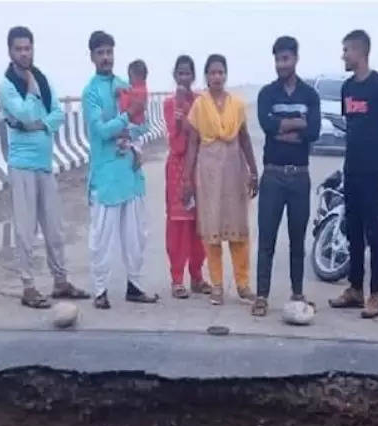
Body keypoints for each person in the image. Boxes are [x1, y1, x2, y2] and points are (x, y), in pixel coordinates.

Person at [0, 25, 88, 309]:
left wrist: (39, 125)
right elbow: (22, 112)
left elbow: (58, 114)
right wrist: (31, 94)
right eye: (19, 49)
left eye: (28, 48)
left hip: (44, 163)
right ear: (10, 52)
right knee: (26, 229)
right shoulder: (7, 85)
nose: (24, 53)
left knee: (54, 226)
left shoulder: (43, 79)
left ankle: (60, 281)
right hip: (22, 165)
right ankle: (28, 285)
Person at [83, 30, 158, 308]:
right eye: (100, 53)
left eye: (109, 52)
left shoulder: (126, 84)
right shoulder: (90, 92)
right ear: (92, 57)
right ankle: (100, 291)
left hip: (131, 173)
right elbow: (101, 131)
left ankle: (135, 286)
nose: (106, 57)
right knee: (102, 236)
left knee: (136, 234)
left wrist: (127, 124)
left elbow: (145, 124)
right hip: (106, 176)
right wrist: (126, 118)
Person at [328, 29, 378, 319]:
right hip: (351, 169)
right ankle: (355, 289)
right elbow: (351, 126)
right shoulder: (347, 88)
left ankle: (376, 294)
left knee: (374, 232)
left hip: (372, 171)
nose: (343, 55)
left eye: (347, 50)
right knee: (353, 230)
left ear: (361, 52)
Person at [182, 54, 259, 306]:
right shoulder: (199, 105)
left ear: (226, 75)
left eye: (221, 72)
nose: (217, 77)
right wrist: (186, 180)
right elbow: (192, 143)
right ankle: (216, 285)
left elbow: (245, 138)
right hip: (209, 172)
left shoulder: (237, 104)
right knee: (211, 229)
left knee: (239, 230)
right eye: (212, 72)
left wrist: (254, 171)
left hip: (234, 171)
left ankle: (243, 284)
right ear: (206, 76)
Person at [253, 35, 320, 317]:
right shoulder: (267, 93)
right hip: (273, 175)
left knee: (297, 238)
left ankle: (297, 292)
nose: (282, 64)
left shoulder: (309, 95)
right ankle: (261, 296)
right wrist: (296, 125)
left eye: (286, 59)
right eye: (278, 59)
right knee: (267, 238)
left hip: (299, 176)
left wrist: (285, 127)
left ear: (295, 59)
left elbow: (314, 131)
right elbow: (267, 125)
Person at [162, 55, 209, 299]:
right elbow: (176, 143)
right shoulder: (170, 104)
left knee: (198, 225)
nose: (184, 78)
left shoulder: (201, 101)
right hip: (178, 169)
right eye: (180, 73)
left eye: (188, 73)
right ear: (175, 76)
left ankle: (197, 276)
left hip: (199, 166)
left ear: (193, 75)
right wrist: (181, 119)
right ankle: (177, 278)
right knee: (179, 225)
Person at [115, 60, 148, 155]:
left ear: (139, 77)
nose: (129, 79)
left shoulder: (140, 91)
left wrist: (121, 92)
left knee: (127, 138)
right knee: (130, 139)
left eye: (131, 76)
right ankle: (132, 150)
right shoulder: (134, 89)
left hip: (135, 124)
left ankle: (134, 151)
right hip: (132, 123)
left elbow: (134, 106)